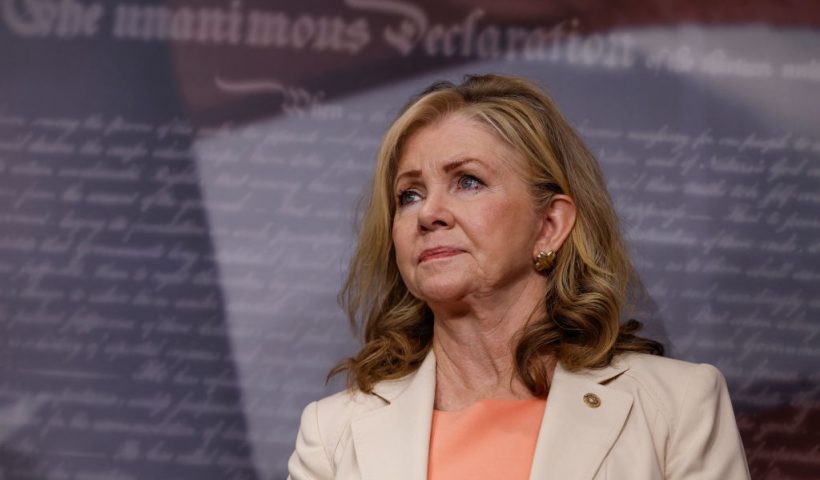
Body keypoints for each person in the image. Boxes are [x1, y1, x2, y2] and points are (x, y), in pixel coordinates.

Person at [288, 74, 750, 479]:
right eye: (409, 194)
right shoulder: (332, 435)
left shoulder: (678, 407)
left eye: (467, 181)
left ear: (549, 225)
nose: (428, 213)